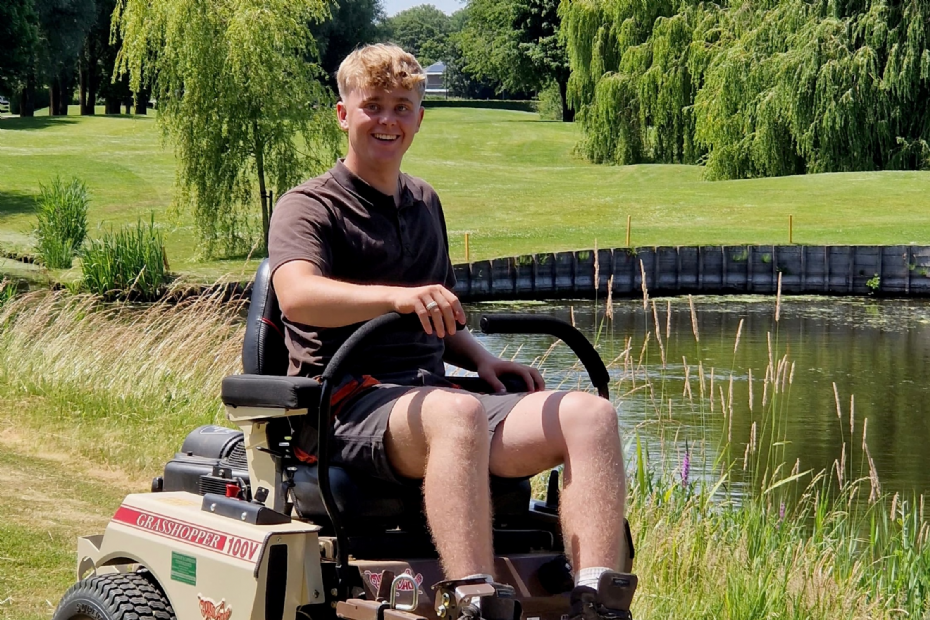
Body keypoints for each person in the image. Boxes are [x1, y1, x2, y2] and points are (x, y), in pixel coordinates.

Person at [268, 44, 636, 620]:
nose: (388, 120)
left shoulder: (423, 201)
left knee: (592, 416)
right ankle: (476, 600)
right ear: (344, 115)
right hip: (347, 402)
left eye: (402, 106)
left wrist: (479, 357)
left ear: (419, 115)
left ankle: (596, 600)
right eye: (373, 106)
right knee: (456, 415)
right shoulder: (310, 204)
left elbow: (439, 314)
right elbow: (297, 294)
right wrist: (396, 296)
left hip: (431, 398)